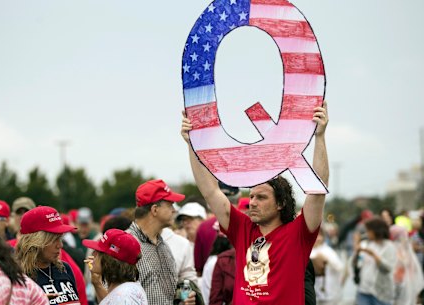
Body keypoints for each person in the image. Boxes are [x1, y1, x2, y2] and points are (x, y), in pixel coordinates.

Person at [181, 101, 329, 304]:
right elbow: (210, 191)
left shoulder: (299, 234)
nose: (252, 203)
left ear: (280, 204)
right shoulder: (243, 229)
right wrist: (193, 144)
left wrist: (320, 137)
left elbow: (317, 192)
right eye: (251, 196)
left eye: (261, 197)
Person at [127, 179, 196, 305]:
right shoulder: (126, 245)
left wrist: (182, 297)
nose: (174, 210)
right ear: (154, 210)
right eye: (170, 205)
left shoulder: (163, 245)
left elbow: (166, 292)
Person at [15, 206, 83, 305]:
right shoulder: (19, 277)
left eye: (60, 238)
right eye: (54, 239)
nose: (60, 245)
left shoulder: (65, 269)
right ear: (36, 241)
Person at [83, 228, 147, 305]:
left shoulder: (125, 296)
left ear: (109, 260)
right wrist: (96, 282)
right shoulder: (124, 291)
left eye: (98, 252)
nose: (93, 254)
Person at [353, 217, 397, 305]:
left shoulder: (389, 246)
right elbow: (357, 265)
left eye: (369, 230)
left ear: (376, 230)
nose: (367, 233)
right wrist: (357, 251)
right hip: (364, 290)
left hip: (381, 293)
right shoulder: (368, 244)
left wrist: (374, 254)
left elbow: (388, 268)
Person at [310, 228, 343, 305]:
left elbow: (339, 267)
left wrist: (326, 259)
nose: (317, 238)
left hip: (329, 294)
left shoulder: (328, 251)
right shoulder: (308, 250)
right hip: (315, 294)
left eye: (319, 236)